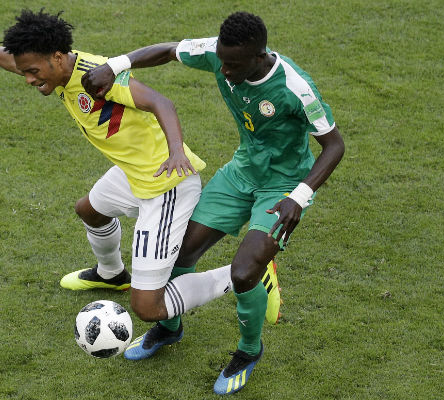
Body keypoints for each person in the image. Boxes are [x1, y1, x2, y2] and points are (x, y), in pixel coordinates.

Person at [0, 9, 282, 369]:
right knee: (90, 209)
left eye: (33, 72)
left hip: (165, 184)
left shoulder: (95, 76)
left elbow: (160, 102)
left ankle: (247, 271)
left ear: (56, 59)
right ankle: (112, 273)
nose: (27, 79)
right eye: (26, 71)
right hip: (134, 173)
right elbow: (15, 61)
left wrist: (177, 150)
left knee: (148, 306)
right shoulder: (56, 67)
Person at [82, 11, 345, 395]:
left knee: (243, 273)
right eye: (220, 60)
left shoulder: (296, 88)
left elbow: (334, 145)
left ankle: (248, 352)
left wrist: (299, 197)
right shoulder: (219, 54)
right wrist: (116, 64)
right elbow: (170, 51)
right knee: (177, 254)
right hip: (241, 173)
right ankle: (170, 328)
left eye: (233, 65)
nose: (223, 70)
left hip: (283, 187)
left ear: (259, 57)